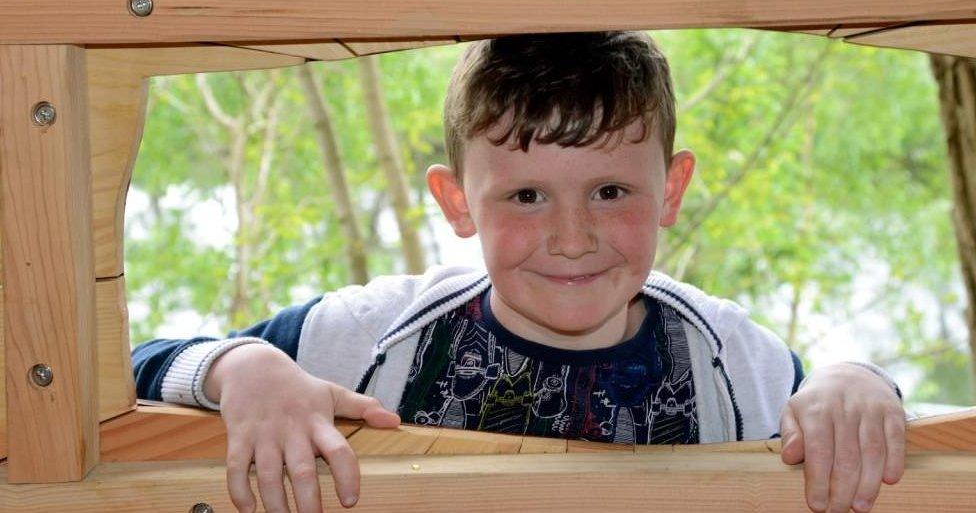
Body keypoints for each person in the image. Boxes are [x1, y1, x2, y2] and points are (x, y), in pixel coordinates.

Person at [133, 31, 905, 513]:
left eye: (611, 191)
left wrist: (859, 380)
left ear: (670, 189)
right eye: (527, 195)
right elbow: (135, 373)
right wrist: (243, 365)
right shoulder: (373, 338)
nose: (572, 239)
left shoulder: (731, 357)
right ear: (456, 200)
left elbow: (832, 414)